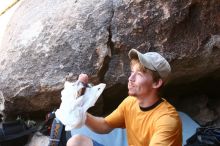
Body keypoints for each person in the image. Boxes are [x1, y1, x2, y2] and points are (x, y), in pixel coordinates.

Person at [67, 49, 182, 146]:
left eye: (139, 75)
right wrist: (80, 111)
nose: (130, 78)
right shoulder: (130, 102)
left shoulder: (167, 120)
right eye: (132, 72)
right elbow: (105, 125)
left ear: (156, 83)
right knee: (77, 142)